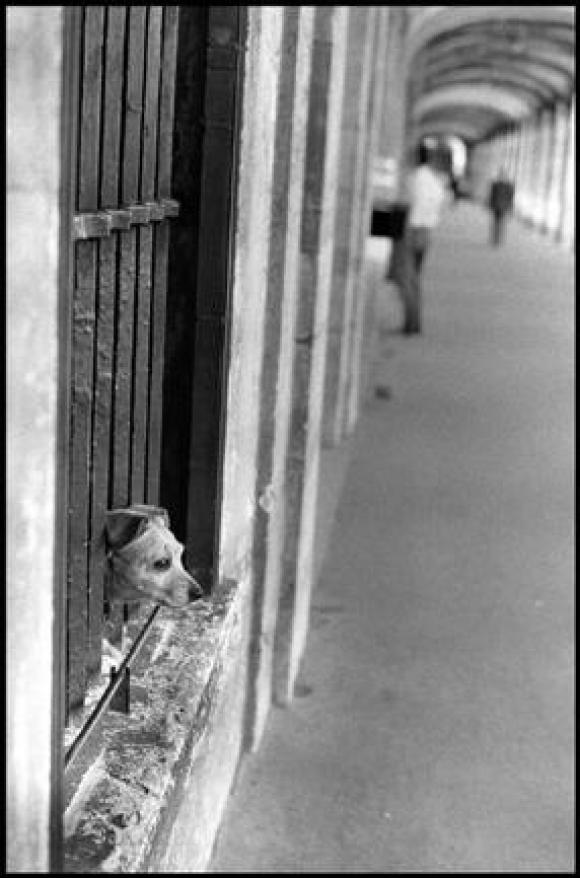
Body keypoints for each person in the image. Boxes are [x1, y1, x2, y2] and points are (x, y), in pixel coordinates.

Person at [398, 143, 447, 334]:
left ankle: (410, 322)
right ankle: (414, 321)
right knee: (415, 278)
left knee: (407, 278)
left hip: (412, 230)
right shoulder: (435, 180)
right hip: (427, 232)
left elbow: (408, 203)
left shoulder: (415, 178)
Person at [487, 169, 515, 246]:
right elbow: (510, 198)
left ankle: (496, 239)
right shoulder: (508, 186)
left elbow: (510, 198)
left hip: (499, 206)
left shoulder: (497, 185)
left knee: (497, 222)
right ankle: (497, 239)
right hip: (500, 206)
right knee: (499, 222)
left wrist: (490, 204)